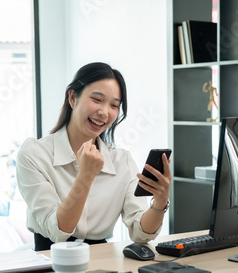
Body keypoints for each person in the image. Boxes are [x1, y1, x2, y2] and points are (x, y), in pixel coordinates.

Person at [16, 62, 171, 251]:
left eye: (114, 105)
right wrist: (86, 174)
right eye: (97, 100)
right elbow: (57, 230)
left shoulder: (122, 161)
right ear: (73, 98)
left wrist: (160, 204)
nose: (104, 112)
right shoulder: (35, 154)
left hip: (103, 260)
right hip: (51, 260)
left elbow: (140, 232)